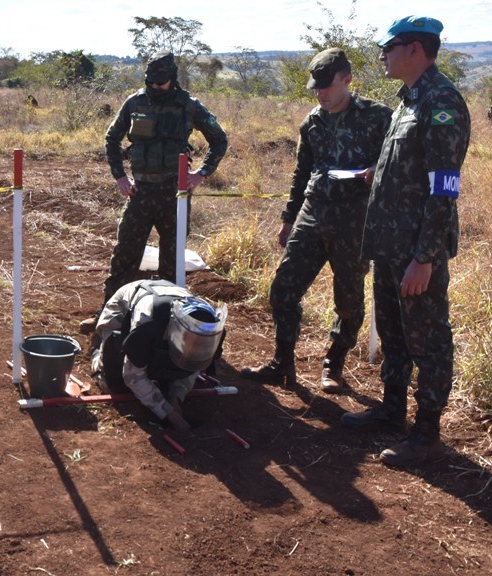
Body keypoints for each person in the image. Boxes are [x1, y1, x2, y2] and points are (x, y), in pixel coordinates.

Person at [341, 16, 470, 468]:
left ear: (415, 49)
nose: (382, 55)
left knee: (428, 340)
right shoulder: (408, 102)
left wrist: (425, 256)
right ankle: (391, 409)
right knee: (394, 334)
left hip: (415, 251)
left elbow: (444, 188)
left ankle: (427, 433)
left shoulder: (441, 102)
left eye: (389, 47)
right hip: (389, 246)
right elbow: (412, 167)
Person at [241, 48, 392, 391]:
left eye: (327, 85)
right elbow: (301, 172)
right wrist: (288, 218)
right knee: (283, 289)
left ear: (347, 79)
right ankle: (282, 363)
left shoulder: (379, 117)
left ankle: (334, 363)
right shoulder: (312, 121)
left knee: (349, 300)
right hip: (312, 215)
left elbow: (400, 164)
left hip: (355, 222)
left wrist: (376, 172)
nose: (320, 93)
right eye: (316, 87)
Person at [82, 50, 228, 334]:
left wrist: (202, 174)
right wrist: (119, 177)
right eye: (151, 81)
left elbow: (219, 139)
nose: (155, 86)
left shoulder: (189, 106)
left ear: (172, 80)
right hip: (141, 192)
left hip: (176, 194)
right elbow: (111, 138)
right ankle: (108, 315)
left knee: (172, 264)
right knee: (125, 255)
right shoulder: (134, 102)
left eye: (161, 82)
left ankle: (168, 325)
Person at [91, 279, 226, 431]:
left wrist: (176, 396)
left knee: (177, 367)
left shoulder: (209, 330)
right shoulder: (148, 322)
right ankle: (97, 349)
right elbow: (132, 377)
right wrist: (167, 412)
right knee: (114, 385)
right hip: (124, 309)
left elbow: (194, 366)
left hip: (164, 318)